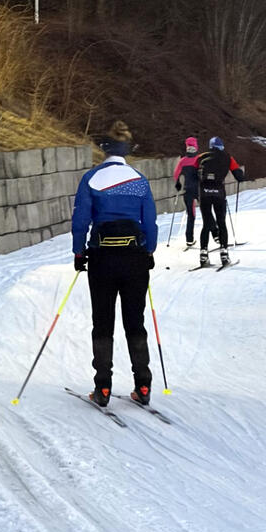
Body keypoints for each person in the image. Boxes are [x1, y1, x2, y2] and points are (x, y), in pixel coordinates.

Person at [71, 119, 158, 406]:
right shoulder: (139, 180)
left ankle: (103, 388)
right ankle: (143, 386)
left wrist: (78, 252)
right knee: (136, 322)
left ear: (105, 149)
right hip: (134, 258)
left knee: (103, 323)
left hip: (102, 258)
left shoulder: (91, 179)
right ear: (127, 149)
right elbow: (151, 223)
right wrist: (149, 251)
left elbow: (81, 220)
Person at [196, 136, 245, 268]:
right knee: (221, 222)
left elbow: (193, 174)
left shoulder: (200, 157)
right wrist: (241, 175)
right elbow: (239, 176)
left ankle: (203, 255)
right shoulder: (228, 158)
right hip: (219, 193)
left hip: (204, 193)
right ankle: (224, 255)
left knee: (206, 224)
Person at [173, 136, 201, 247]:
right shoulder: (199, 159)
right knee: (206, 213)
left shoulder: (182, 161)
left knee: (191, 215)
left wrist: (178, 183)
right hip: (199, 190)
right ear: (196, 146)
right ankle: (216, 235)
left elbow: (176, 175)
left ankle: (189, 239)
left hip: (187, 190)